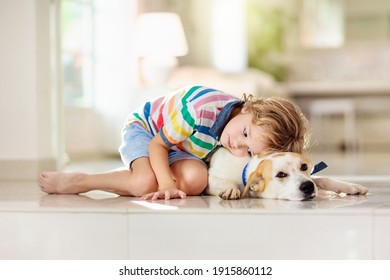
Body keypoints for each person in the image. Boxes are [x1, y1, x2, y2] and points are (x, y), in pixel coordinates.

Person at [38, 85, 310, 200]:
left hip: (179, 148)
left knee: (196, 180)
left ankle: (142, 177)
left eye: (249, 150)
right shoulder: (200, 111)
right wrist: (166, 183)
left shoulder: (238, 126)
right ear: (250, 107)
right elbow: (158, 145)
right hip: (147, 131)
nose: (237, 146)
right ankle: (82, 181)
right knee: (146, 182)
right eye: (245, 134)